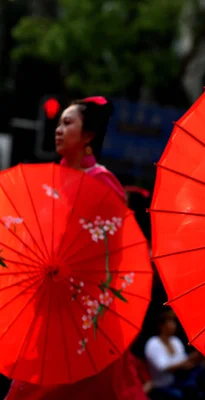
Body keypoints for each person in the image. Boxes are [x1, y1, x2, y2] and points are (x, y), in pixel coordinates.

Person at [4, 96, 150, 399]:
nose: (58, 129)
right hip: (49, 300)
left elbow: (113, 247)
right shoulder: (50, 181)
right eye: (58, 123)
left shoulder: (101, 181)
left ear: (88, 136)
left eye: (68, 123)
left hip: (86, 312)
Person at [144, 310, 204, 399]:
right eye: (170, 322)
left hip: (178, 381)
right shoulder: (153, 343)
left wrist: (193, 358)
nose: (174, 326)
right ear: (162, 326)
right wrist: (185, 362)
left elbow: (183, 361)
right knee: (179, 395)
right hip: (162, 385)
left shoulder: (175, 341)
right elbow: (162, 367)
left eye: (174, 322)